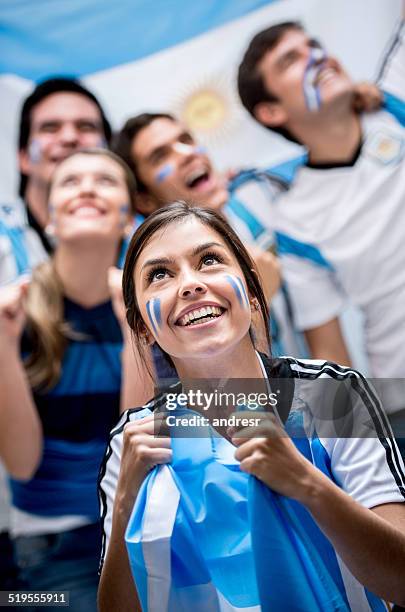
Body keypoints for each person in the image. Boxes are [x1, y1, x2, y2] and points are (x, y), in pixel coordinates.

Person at [98, 202, 405, 611]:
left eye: (209, 260)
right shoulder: (134, 440)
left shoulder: (332, 394)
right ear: (142, 326)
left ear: (253, 292)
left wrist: (306, 483)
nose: (189, 284)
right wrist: (123, 508)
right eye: (160, 274)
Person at [0, 149, 153, 610]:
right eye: (70, 182)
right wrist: (3, 347)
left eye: (105, 180)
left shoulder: (149, 305)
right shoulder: (14, 312)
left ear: (128, 218)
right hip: (50, 551)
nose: (87, 188)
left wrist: (135, 329)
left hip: (147, 529)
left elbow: (137, 447)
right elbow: (23, 465)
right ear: (48, 217)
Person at [237, 16, 405, 420]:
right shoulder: (294, 221)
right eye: (291, 60)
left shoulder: (396, 103)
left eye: (313, 45)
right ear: (271, 111)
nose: (317, 57)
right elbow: (332, 357)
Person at [113, 112, 302, 358]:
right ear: (144, 199)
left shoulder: (258, 206)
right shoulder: (145, 278)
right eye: (160, 156)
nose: (187, 153)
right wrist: (256, 300)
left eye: (186, 139)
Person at [0, 77, 112, 286]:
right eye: (50, 128)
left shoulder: (149, 238)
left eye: (86, 127)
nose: (69, 137)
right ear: (23, 157)